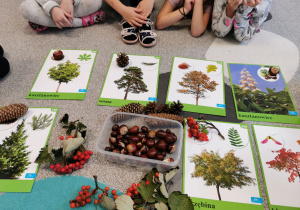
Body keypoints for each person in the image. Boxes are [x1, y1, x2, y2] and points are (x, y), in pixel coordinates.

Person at [20, 0, 106, 32]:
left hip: (73, 4)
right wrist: (53, 9)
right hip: (44, 4)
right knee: (25, 8)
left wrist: (69, 1)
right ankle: (82, 21)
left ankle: (49, 23)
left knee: (96, 1)